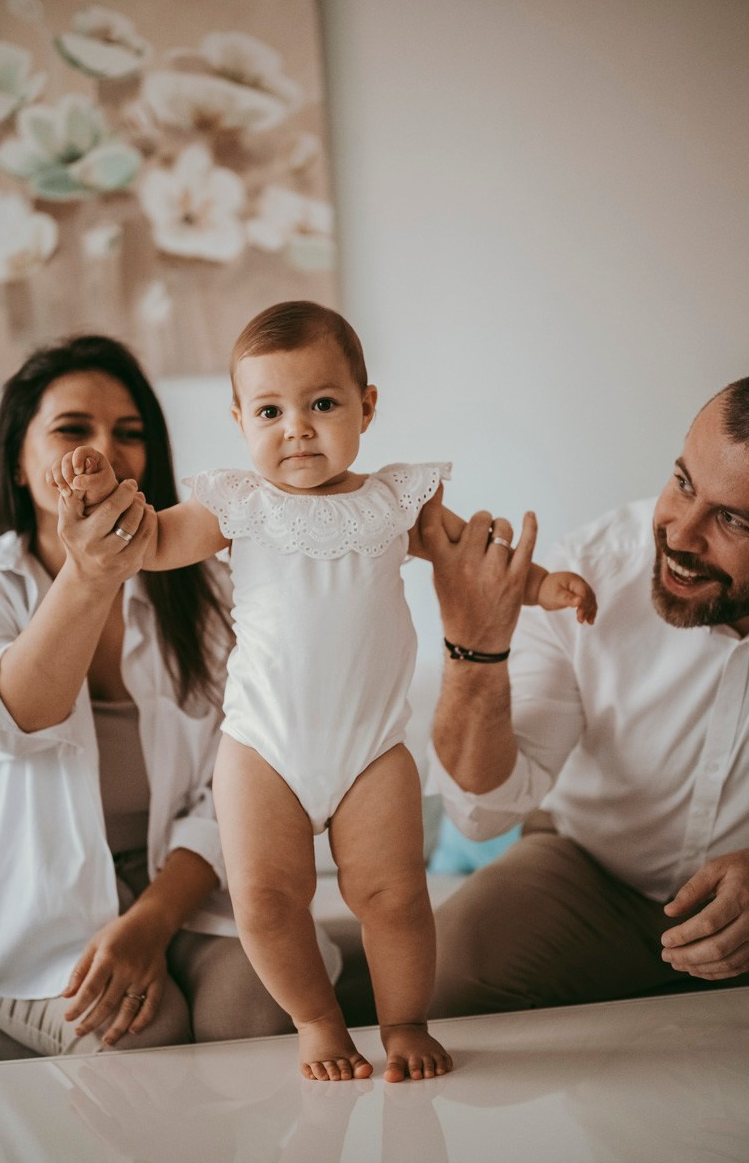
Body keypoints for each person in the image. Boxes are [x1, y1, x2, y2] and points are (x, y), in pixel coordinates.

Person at [54, 301, 597, 1081]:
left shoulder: (393, 501)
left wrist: (543, 588)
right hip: (262, 748)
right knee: (267, 902)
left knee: (397, 898)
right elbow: (154, 541)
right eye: (270, 410)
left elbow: (468, 557)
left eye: (323, 405)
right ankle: (318, 1023)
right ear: (240, 419)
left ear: (367, 406)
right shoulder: (236, 505)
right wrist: (103, 498)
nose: (297, 428)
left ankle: (404, 1021)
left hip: (371, 749)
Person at [0, 333, 341, 1058]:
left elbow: (242, 772)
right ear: (19, 461)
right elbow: (17, 720)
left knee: (260, 1008)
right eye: (73, 430)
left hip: (184, 884)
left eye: (130, 434)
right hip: (33, 907)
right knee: (147, 1033)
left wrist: (152, 919)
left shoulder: (205, 590)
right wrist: (90, 576)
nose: (104, 451)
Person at [416, 371, 749, 1017]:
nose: (680, 536)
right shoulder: (593, 568)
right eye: (684, 483)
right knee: (445, 972)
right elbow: (481, 814)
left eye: (731, 521)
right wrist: (475, 649)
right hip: (595, 871)